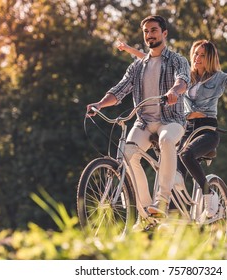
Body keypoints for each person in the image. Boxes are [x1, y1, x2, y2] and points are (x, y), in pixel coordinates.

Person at [117, 39, 227, 220]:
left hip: (207, 130)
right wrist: (129, 49)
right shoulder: (185, 74)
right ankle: (169, 215)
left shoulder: (219, 78)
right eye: (195, 53)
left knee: (185, 154)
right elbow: (153, 62)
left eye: (202, 55)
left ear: (210, 58)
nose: (197, 58)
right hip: (185, 129)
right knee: (170, 174)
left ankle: (208, 192)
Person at [86, 15, 191, 226]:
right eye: (146, 32)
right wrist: (99, 104)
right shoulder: (137, 67)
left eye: (153, 30)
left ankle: (162, 201)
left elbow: (183, 80)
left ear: (164, 33)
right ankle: (146, 212)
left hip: (171, 120)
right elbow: (119, 90)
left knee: (167, 140)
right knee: (127, 154)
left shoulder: (177, 60)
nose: (149, 35)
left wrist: (174, 92)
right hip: (143, 122)